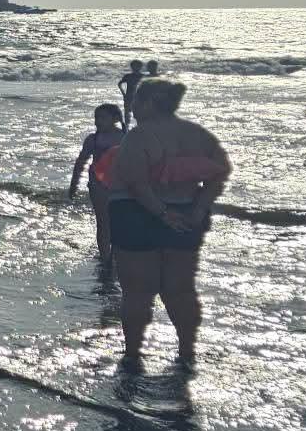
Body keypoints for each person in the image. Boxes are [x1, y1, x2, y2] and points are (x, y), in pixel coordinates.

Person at [107, 79, 230, 364]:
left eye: (136, 100)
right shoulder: (198, 134)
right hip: (187, 212)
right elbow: (220, 172)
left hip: (137, 214)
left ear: (149, 103)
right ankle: (186, 351)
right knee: (180, 289)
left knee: (137, 291)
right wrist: (199, 209)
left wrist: (161, 212)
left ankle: (133, 354)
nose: (132, 106)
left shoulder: (139, 136)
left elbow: (136, 183)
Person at [70, 103, 127, 261]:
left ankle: (116, 254)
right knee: (103, 222)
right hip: (98, 186)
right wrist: (74, 184)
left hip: (121, 186)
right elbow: (81, 162)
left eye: (102, 118)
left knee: (119, 223)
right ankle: (105, 256)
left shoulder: (125, 137)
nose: (97, 121)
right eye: (96, 118)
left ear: (115, 119)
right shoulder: (93, 139)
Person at [118, 60, 145, 128]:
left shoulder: (142, 76)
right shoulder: (128, 76)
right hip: (129, 97)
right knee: (127, 114)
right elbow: (119, 84)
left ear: (140, 67)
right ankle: (127, 129)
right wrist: (123, 94)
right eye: (134, 66)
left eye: (138, 66)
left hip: (137, 98)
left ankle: (139, 129)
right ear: (132, 67)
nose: (136, 68)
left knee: (138, 115)